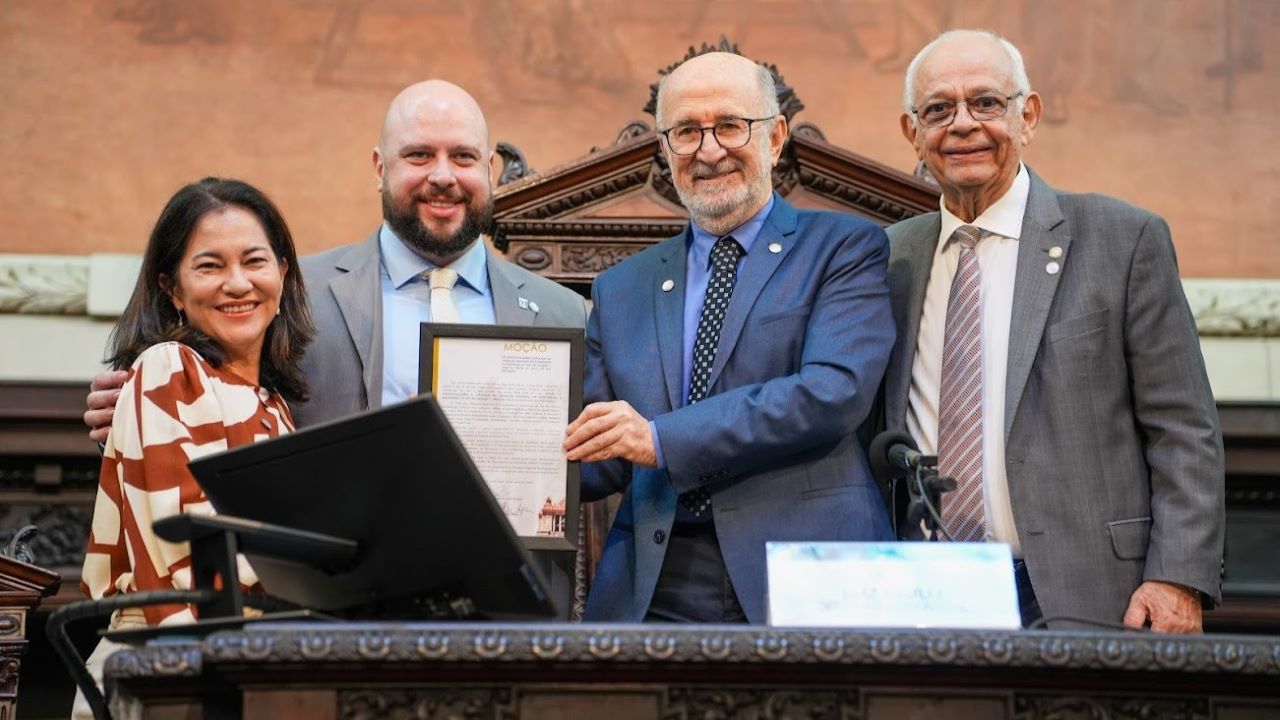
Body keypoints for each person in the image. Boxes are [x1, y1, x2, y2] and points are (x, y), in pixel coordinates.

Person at [85, 80, 588, 613]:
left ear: (489, 169)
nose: (442, 175)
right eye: (418, 155)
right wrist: (124, 424)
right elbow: (204, 416)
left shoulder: (565, 311)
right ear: (379, 167)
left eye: (462, 157)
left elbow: (589, 466)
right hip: (329, 617)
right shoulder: (292, 297)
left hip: (507, 614)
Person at [882, 29, 1224, 631]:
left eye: (986, 103)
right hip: (923, 593)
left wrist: (1177, 576)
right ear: (913, 133)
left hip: (1092, 592)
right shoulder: (890, 258)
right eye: (938, 109)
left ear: (1028, 115)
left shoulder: (1122, 239)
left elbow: (1184, 428)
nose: (962, 124)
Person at [563, 51, 895, 623]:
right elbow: (604, 453)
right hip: (656, 582)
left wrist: (662, 439)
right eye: (687, 131)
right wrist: (501, 462)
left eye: (729, 126)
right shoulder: (621, 288)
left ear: (774, 137)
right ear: (665, 152)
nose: (709, 150)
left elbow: (832, 391)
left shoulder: (843, 248)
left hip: (807, 569)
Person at [75, 177, 313, 715]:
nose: (237, 283)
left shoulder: (274, 404)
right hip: (171, 668)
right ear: (173, 289)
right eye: (209, 266)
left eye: (254, 261)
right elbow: (183, 560)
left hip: (245, 666)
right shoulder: (167, 368)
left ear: (283, 273)